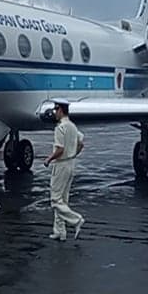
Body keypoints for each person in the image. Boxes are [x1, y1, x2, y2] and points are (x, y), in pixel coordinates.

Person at [42, 99, 85, 240]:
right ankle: (60, 232)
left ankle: (76, 220)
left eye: (56, 110)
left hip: (61, 165)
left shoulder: (60, 128)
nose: (54, 113)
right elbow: (81, 143)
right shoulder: (72, 126)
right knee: (63, 199)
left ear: (60, 110)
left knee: (55, 200)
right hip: (71, 163)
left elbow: (60, 149)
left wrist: (49, 159)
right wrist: (73, 154)